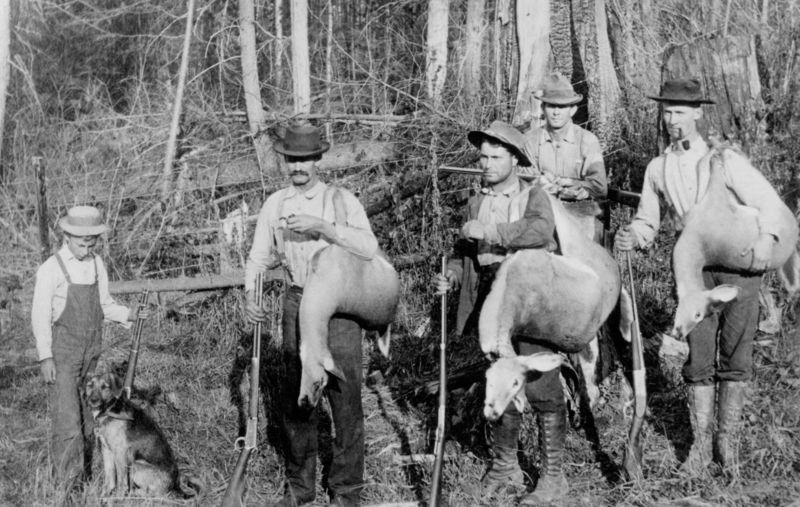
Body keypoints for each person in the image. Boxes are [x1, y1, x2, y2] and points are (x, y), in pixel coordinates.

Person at [615, 78, 787, 473]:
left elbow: (768, 203)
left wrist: (767, 239)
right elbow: (647, 221)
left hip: (739, 266)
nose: (673, 119)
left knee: (736, 354)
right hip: (694, 273)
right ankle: (700, 448)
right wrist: (633, 235)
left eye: (680, 111)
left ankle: (728, 450)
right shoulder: (657, 167)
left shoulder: (724, 158)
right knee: (698, 356)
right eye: (667, 111)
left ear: (698, 113)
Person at [432, 121, 569, 505]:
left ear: (515, 159)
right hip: (489, 302)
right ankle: (505, 466)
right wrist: (453, 277)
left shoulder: (533, 196)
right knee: (500, 382)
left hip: (530, 303)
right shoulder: (476, 200)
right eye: (483, 157)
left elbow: (540, 232)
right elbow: (463, 253)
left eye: (496, 157)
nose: (487, 164)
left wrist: (491, 231)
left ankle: (554, 478)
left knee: (542, 385)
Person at [244, 124, 378, 507]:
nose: (298, 167)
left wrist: (324, 227)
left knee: (345, 399)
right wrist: (250, 297)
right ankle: (300, 489)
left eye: (305, 159)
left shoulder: (340, 200)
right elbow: (257, 259)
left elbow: (368, 247)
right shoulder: (275, 204)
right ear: (284, 162)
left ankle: (347, 490)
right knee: (298, 399)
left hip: (339, 309)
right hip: (297, 302)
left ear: (319, 159)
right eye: (291, 160)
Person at [31, 205, 151, 487]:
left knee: (87, 419)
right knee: (67, 422)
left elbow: (104, 305)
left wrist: (129, 314)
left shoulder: (97, 264)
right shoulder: (51, 269)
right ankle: (67, 487)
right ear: (67, 237)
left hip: (91, 356)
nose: (87, 248)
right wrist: (45, 356)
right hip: (62, 355)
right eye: (82, 243)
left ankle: (84, 476)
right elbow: (39, 316)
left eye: (92, 243)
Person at [522, 72, 608, 242]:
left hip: (580, 212)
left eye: (562, 107)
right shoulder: (530, 140)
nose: (556, 112)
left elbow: (599, 187)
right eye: (551, 106)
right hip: (540, 212)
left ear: (573, 110)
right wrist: (543, 185)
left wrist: (569, 184)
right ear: (543, 108)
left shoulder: (587, 141)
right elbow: (525, 182)